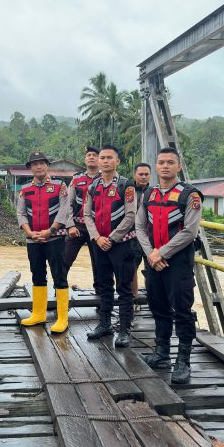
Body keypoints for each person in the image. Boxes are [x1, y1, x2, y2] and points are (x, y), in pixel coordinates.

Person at [136, 147, 203, 384]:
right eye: (161, 162)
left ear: (179, 167)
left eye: (170, 162)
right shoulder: (148, 194)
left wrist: (160, 253)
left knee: (182, 310)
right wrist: (151, 254)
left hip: (178, 262)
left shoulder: (190, 195)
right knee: (158, 306)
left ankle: (183, 361)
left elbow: (190, 231)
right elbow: (140, 227)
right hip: (153, 260)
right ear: (156, 166)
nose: (165, 166)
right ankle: (161, 353)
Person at [83, 145, 137, 344]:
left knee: (124, 288)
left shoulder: (126, 186)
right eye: (102, 158)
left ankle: (124, 330)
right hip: (99, 244)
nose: (105, 161)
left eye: (109, 158)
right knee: (104, 285)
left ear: (118, 162)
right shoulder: (92, 187)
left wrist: (112, 238)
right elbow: (87, 215)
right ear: (98, 161)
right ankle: (104, 324)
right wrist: (97, 238)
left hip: (121, 245)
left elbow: (131, 215)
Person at [18, 151, 72, 334]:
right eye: (34, 164)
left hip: (55, 239)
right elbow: (21, 213)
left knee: (60, 274)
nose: (38, 166)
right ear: (30, 168)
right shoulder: (25, 189)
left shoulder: (59, 185)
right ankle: (39, 313)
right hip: (33, 240)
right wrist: (30, 233)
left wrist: (50, 231)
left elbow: (64, 210)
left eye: (42, 163)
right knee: (37, 274)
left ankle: (62, 317)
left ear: (47, 165)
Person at [64, 147, 101, 289]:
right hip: (77, 226)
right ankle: (59, 291)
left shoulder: (106, 179)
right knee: (65, 259)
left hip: (98, 229)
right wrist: (70, 225)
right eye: (89, 155)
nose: (91, 157)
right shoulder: (76, 179)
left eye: (95, 155)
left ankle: (100, 295)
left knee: (99, 264)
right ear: (85, 159)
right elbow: (68, 203)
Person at [130, 163, 152, 301]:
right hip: (131, 237)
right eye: (140, 174)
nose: (143, 177)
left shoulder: (155, 192)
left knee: (152, 269)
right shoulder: (128, 190)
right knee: (132, 269)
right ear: (134, 175)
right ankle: (134, 299)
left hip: (151, 237)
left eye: (146, 174)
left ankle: (153, 298)